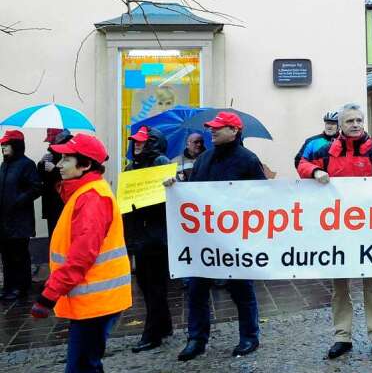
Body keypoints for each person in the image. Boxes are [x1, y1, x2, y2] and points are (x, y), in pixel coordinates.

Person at [165, 111, 266, 361]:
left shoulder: (249, 160)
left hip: (235, 239)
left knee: (241, 289)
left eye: (218, 128)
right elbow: (194, 194)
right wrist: (176, 188)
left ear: (234, 131)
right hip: (205, 239)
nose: (212, 131)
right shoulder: (204, 159)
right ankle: (196, 339)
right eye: (211, 127)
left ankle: (249, 336)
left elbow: (264, 198)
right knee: (197, 290)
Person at [297, 103, 372, 358]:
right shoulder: (326, 151)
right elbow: (302, 164)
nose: (355, 125)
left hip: (369, 229)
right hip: (337, 231)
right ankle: (342, 336)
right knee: (340, 287)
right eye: (350, 121)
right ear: (340, 125)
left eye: (359, 120)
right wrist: (315, 170)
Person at [30, 133, 132, 373]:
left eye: (66, 159)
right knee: (87, 364)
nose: (59, 164)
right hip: (94, 297)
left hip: (96, 299)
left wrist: (49, 295)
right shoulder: (86, 192)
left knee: (81, 367)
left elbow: (81, 255)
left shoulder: (93, 197)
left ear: (85, 165)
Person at [123, 126, 173, 352]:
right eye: (135, 141)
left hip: (156, 235)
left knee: (154, 285)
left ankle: (152, 333)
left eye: (142, 142)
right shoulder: (131, 167)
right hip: (139, 233)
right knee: (147, 284)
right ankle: (164, 325)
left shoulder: (160, 163)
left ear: (152, 143)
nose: (137, 145)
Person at [1, 129, 40, 302]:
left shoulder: (27, 164)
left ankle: (21, 287)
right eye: (2, 145)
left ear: (16, 145)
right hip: (4, 219)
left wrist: (19, 200)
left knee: (19, 255)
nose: (3, 148)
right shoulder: (4, 165)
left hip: (20, 220)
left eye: (7, 144)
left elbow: (36, 187)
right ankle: (9, 286)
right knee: (6, 255)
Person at [39, 128, 71, 237]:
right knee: (53, 236)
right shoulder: (53, 152)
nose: (49, 142)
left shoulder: (69, 150)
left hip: (62, 202)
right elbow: (44, 178)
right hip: (51, 203)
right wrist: (41, 164)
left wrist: (54, 169)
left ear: (58, 139)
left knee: (62, 236)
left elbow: (71, 176)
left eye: (51, 140)